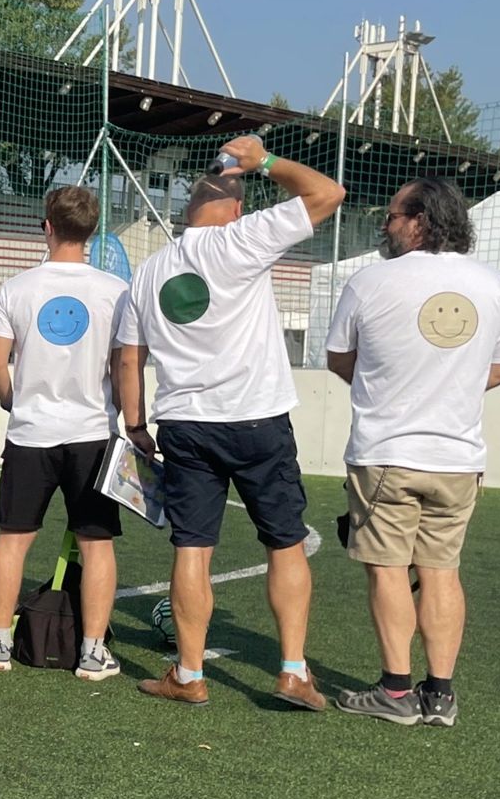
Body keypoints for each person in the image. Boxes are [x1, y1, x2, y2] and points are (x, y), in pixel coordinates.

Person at [115, 135, 344, 709]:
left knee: (192, 548)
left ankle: (189, 675)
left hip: (186, 424)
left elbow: (129, 357)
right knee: (286, 542)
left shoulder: (149, 271)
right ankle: (293, 671)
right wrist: (263, 161)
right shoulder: (245, 239)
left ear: (185, 211)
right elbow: (328, 192)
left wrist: (137, 426)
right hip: (258, 420)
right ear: (238, 208)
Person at [326, 178, 500, 727]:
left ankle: (394, 692)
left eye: (391, 217)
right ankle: (440, 694)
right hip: (459, 456)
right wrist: (448, 385)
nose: (385, 227)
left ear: (420, 220)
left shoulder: (369, 282)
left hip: (387, 451)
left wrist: (396, 384)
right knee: (442, 571)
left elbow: (341, 358)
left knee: (387, 569)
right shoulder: (492, 284)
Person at [0, 186, 129, 680]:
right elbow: (124, 364)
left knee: (14, 540)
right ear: (92, 232)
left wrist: (12, 401)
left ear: (47, 226)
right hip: (91, 433)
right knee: (97, 543)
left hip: (30, 433)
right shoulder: (115, 292)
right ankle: (90, 652)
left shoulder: (17, 288)